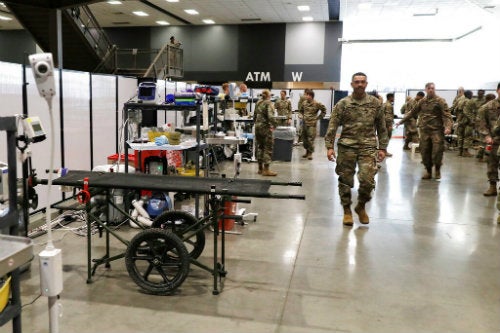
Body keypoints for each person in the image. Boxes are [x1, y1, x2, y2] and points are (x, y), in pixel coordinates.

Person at [325, 72, 389, 226]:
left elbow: (381, 127)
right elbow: (332, 125)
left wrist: (383, 148)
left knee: (367, 180)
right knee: (345, 180)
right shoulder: (343, 104)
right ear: (352, 84)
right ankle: (347, 210)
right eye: (357, 82)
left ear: (366, 84)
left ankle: (361, 206)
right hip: (347, 146)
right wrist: (329, 147)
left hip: (368, 146)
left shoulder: (375, 103)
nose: (360, 84)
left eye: (362, 82)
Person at [396, 82, 453, 180]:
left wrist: (448, 127)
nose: (431, 90)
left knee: (437, 152)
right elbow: (412, 112)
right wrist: (400, 122)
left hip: (437, 131)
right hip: (425, 131)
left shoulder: (440, 101)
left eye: (433, 88)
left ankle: (438, 170)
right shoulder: (422, 101)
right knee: (425, 152)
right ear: (426, 90)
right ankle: (428, 171)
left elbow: (447, 115)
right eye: (429, 88)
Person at [477, 83, 500, 196]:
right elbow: (481, 123)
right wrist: (487, 136)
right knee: (492, 163)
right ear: (497, 91)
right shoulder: (487, 107)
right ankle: (492, 187)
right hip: (494, 140)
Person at [253, 89, 278, 176]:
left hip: (257, 127)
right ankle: (266, 170)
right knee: (268, 147)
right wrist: (275, 125)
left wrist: (256, 123)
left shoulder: (258, 102)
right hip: (265, 128)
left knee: (260, 147)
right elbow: (271, 116)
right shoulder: (268, 103)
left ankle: (260, 169)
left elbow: (254, 115)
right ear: (269, 96)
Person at [299, 90, 326, 160]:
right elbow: (301, 110)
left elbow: (324, 110)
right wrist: (301, 115)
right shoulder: (304, 103)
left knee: (310, 139)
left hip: (312, 124)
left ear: (311, 96)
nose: (306, 96)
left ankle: (310, 153)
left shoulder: (316, 103)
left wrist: (318, 118)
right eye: (306, 95)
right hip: (304, 123)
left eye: (307, 95)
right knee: (304, 139)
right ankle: (307, 152)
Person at [456, 90, 474, 157]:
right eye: (471, 94)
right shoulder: (468, 101)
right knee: (467, 136)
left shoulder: (460, 101)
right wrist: (471, 120)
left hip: (460, 120)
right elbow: (467, 112)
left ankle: (460, 151)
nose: (472, 96)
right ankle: (465, 152)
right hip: (467, 121)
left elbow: (455, 110)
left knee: (460, 136)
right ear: (469, 95)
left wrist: (459, 117)